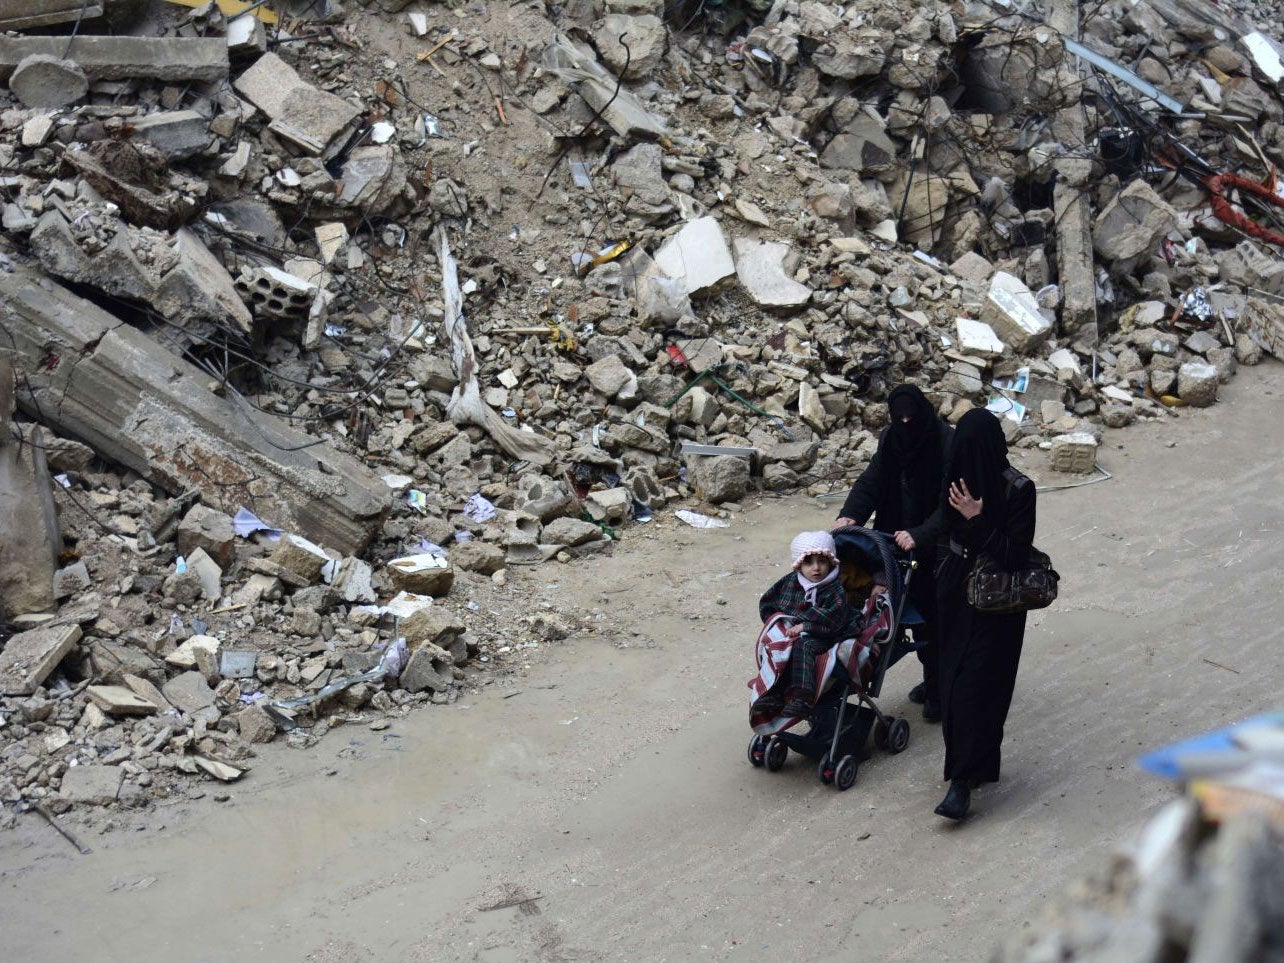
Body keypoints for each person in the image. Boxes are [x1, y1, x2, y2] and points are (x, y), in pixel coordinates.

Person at [932, 408, 1036, 821]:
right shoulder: (954, 482)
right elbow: (940, 528)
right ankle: (968, 768)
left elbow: (1014, 555)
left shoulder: (1018, 490)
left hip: (999, 604)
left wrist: (977, 518)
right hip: (956, 594)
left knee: (980, 689)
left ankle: (961, 783)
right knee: (953, 686)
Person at [833, 384, 951, 722]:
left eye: (909, 418)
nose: (904, 424)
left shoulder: (945, 442)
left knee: (934, 620)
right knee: (896, 614)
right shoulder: (891, 439)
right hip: (894, 542)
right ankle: (934, 682)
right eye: (897, 418)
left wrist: (921, 534)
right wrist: (850, 515)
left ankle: (940, 688)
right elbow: (872, 480)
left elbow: (951, 502)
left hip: (935, 545)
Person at [756, 531, 855, 719]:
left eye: (822, 561)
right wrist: (778, 624)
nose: (816, 568)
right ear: (799, 564)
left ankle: (803, 698)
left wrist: (806, 627)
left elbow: (834, 624)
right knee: (776, 644)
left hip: (827, 634)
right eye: (809, 562)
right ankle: (774, 691)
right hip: (794, 628)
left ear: (831, 562)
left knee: (803, 646)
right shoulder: (792, 582)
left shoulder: (834, 590)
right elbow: (768, 602)